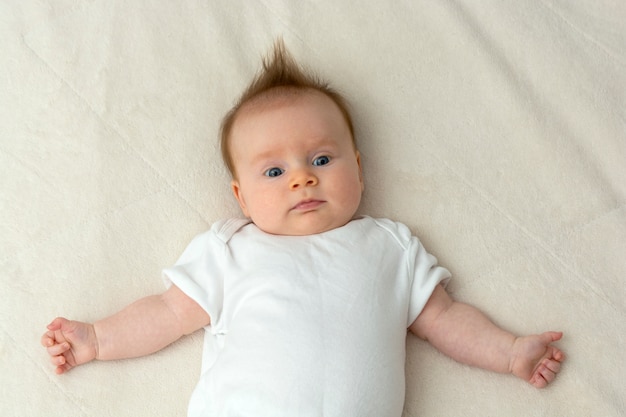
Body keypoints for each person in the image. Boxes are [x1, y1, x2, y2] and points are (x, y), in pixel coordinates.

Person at [42, 40, 565, 416]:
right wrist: (96, 339)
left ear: (359, 169)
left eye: (321, 157)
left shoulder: (389, 247)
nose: (302, 178)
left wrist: (508, 351)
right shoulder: (232, 250)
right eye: (274, 171)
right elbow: (167, 313)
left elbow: (445, 319)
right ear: (241, 197)